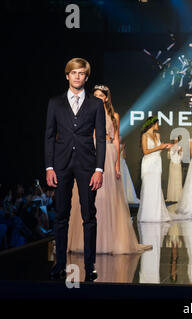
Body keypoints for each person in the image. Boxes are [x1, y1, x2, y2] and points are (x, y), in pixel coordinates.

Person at [68, 85, 151, 257]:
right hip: (91, 153)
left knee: (108, 198)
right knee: (92, 196)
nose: (98, 97)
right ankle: (88, 241)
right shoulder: (86, 112)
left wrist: (117, 165)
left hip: (108, 152)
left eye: (101, 95)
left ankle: (110, 240)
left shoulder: (114, 116)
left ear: (106, 98)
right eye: (95, 95)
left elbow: (115, 140)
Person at [45, 58, 106, 281]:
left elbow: (100, 137)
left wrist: (99, 169)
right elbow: (49, 136)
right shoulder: (55, 102)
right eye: (74, 73)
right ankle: (60, 262)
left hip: (87, 165)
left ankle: (89, 265)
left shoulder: (96, 104)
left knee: (89, 215)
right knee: (61, 215)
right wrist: (49, 166)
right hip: (60, 166)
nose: (77, 76)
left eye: (81, 73)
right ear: (67, 75)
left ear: (86, 77)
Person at [137, 116, 177, 222]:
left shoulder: (157, 135)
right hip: (148, 163)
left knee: (156, 187)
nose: (158, 126)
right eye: (157, 123)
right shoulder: (144, 135)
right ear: (153, 124)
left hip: (157, 163)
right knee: (148, 187)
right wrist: (159, 147)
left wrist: (165, 147)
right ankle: (147, 215)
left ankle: (156, 214)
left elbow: (158, 151)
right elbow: (145, 151)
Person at [119, 137, 140, 204]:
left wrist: (124, 148)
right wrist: (121, 148)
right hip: (118, 163)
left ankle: (127, 196)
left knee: (125, 179)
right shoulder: (114, 145)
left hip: (123, 163)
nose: (120, 139)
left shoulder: (121, 146)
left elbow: (124, 156)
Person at [166, 136, 183, 202]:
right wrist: (169, 151)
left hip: (177, 164)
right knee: (172, 179)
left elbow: (181, 157)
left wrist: (180, 152)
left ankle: (178, 197)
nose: (175, 141)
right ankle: (171, 197)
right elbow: (168, 157)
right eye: (174, 140)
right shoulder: (171, 146)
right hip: (172, 164)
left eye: (176, 140)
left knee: (177, 180)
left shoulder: (180, 147)